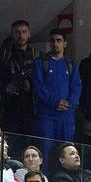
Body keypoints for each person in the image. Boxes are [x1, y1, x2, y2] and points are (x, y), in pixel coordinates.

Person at [30, 28, 80, 156]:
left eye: (59, 40)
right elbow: (38, 86)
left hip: (66, 115)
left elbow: (76, 86)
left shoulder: (71, 64)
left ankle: (65, 176)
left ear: (65, 43)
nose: (55, 43)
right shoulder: (40, 62)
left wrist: (70, 103)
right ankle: (44, 176)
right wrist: (55, 102)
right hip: (46, 114)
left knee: (67, 152)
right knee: (44, 151)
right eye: (52, 41)